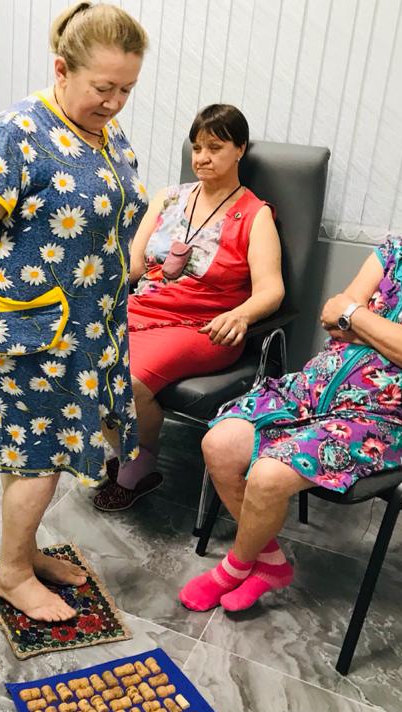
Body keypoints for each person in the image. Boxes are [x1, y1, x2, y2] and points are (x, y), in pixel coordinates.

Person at [180, 134, 402, 613]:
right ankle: (270, 562)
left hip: (388, 421)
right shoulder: (395, 251)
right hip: (312, 390)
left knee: (268, 475)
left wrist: (360, 319)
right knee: (218, 444)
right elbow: (331, 316)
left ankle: (234, 567)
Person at [0, 2, 149, 621]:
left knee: (34, 454)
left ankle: (22, 551)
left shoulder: (105, 133)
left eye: (127, 89)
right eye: (103, 87)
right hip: (32, 336)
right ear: (61, 69)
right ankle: (14, 573)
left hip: (90, 327)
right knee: (41, 459)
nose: (115, 102)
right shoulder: (15, 134)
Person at [93, 105, 283, 511]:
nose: (202, 157)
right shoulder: (168, 198)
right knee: (81, 361)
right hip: (142, 307)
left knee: (125, 380)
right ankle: (128, 450)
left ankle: (141, 465)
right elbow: (134, 265)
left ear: (240, 149)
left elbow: (272, 290)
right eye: (197, 148)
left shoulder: (255, 215)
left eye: (215, 147)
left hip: (203, 326)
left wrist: (241, 315)